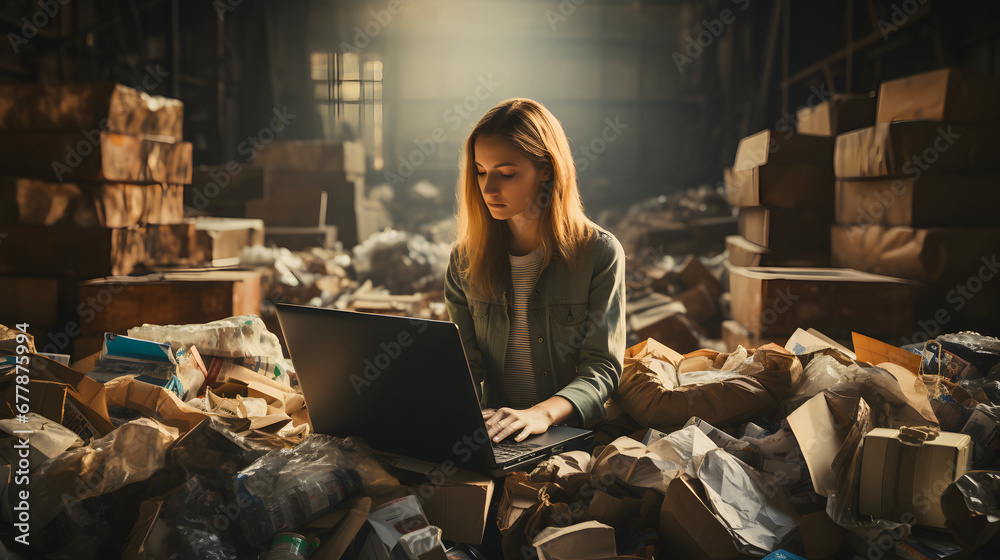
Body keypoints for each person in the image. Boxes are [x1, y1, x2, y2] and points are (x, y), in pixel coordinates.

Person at [444, 98, 626, 445]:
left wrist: (540, 414)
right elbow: (465, 366)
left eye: (507, 173)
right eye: (480, 171)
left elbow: (602, 368)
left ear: (547, 169)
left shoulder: (599, 253)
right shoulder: (463, 260)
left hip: (569, 435)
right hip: (495, 433)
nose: (488, 188)